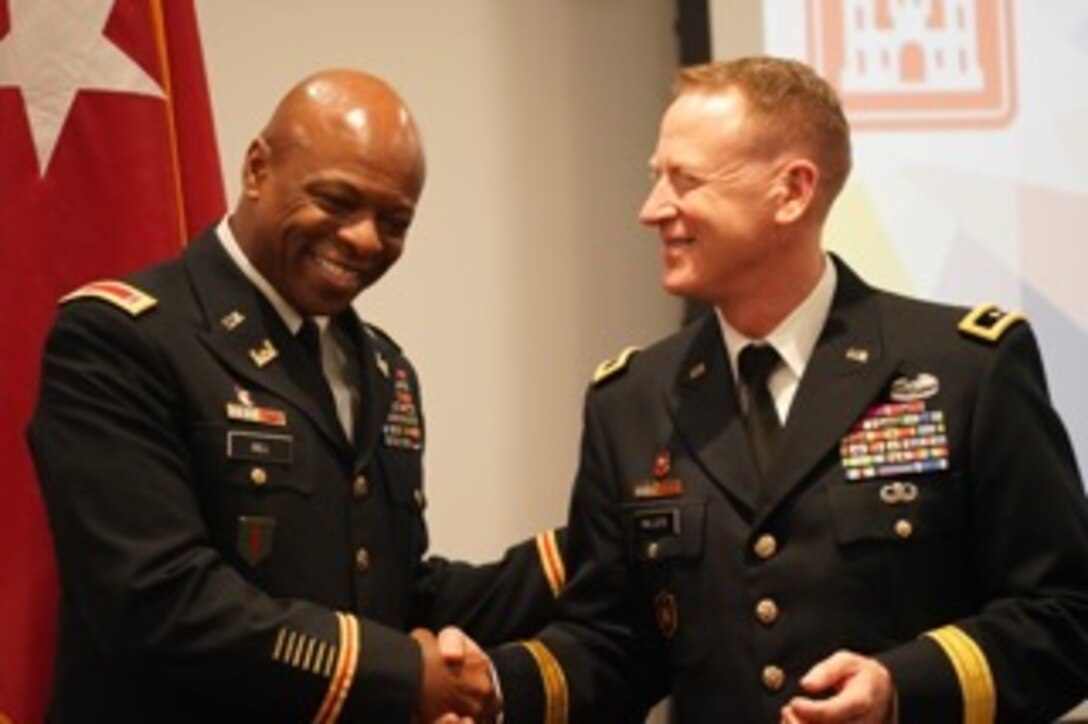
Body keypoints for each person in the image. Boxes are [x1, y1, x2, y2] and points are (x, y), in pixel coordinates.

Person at [489, 56, 1088, 723]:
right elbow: (611, 642)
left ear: (793, 191)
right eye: (656, 178)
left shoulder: (967, 368)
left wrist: (901, 688)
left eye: (685, 180)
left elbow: (1066, 615)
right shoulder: (630, 399)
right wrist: (490, 684)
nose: (651, 210)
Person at [28, 69, 566, 723]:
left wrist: (582, 552)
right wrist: (401, 676)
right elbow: (159, 601)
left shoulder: (382, 368)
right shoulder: (121, 338)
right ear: (257, 169)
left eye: (395, 221)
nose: (366, 238)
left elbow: (391, 594)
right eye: (338, 201)